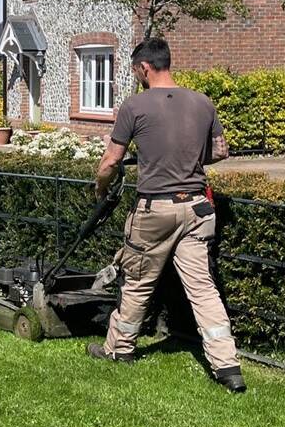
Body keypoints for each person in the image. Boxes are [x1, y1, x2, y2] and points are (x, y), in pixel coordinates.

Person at [85, 37, 245, 393]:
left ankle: (119, 349)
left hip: (155, 209)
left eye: (135, 71)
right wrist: (187, 160)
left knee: (138, 281)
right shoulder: (202, 102)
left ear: (144, 68)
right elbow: (220, 151)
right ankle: (227, 365)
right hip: (198, 209)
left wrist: (100, 186)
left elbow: (111, 160)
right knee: (203, 288)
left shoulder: (134, 106)